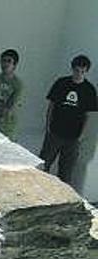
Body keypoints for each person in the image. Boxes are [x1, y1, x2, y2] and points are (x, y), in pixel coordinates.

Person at [39, 54, 97, 185]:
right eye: (77, 70)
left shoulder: (89, 90)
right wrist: (48, 126)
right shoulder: (61, 83)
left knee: (66, 171)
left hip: (74, 137)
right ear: (72, 69)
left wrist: (82, 135)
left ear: (86, 71)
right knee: (43, 164)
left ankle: (61, 200)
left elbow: (88, 115)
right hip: (55, 131)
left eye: (82, 71)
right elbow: (51, 106)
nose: (79, 74)